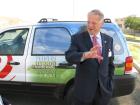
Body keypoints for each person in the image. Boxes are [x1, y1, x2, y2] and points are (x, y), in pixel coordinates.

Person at [65, 9, 115, 105]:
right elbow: (69, 56)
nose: (90, 26)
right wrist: (85, 55)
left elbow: (110, 64)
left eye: (94, 23)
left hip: (103, 93)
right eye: (88, 22)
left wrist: (109, 84)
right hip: (83, 93)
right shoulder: (77, 38)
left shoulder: (109, 40)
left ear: (102, 24)